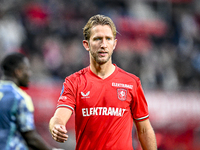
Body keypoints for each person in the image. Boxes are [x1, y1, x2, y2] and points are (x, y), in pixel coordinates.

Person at [49, 14, 157, 150]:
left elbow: (144, 129)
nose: (103, 45)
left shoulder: (132, 82)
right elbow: (58, 117)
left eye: (108, 39)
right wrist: (56, 127)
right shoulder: (74, 82)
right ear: (86, 44)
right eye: (98, 39)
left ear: (114, 44)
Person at [0, 52, 62, 150]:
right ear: (18, 72)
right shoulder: (19, 97)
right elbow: (30, 138)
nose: (30, 74)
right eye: (27, 70)